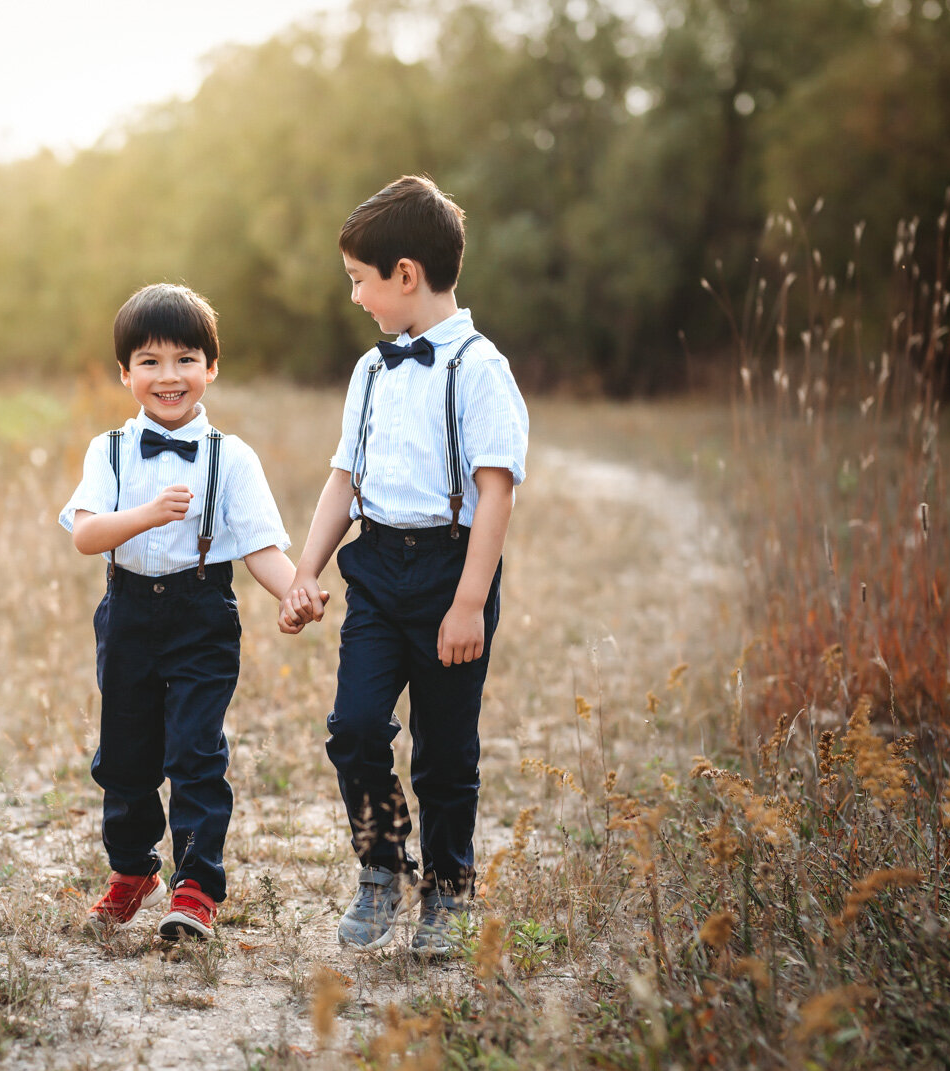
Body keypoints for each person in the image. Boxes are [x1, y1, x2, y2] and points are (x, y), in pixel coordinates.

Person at [281, 175, 528, 956]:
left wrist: (468, 602)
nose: (355, 297)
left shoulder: (480, 369)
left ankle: (449, 887)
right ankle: (382, 863)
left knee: (446, 753)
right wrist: (305, 569)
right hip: (378, 572)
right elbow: (343, 482)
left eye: (360, 281)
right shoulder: (371, 372)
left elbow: (496, 493)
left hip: (453, 574)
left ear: (407, 275)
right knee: (354, 728)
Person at [61, 283, 321, 940]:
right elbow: (86, 535)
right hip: (126, 615)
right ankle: (132, 870)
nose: (168, 375)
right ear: (125, 374)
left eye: (185, 359)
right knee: (123, 756)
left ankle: (197, 886)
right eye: (149, 361)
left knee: (196, 751)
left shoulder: (231, 457)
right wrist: (147, 514)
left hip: (202, 612)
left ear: (211, 366)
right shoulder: (109, 451)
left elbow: (261, 546)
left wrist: (295, 590)